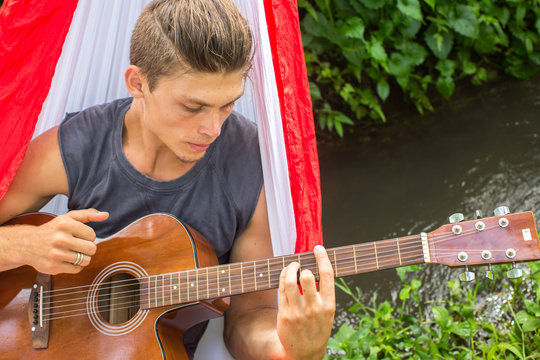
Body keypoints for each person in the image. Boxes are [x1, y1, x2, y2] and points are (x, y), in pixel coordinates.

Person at [0, 0, 336, 359]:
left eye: (228, 104)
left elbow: (250, 317)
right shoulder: (73, 146)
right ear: (138, 83)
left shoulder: (252, 164)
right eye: (192, 107)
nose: (213, 129)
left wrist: (294, 350)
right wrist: (22, 245)